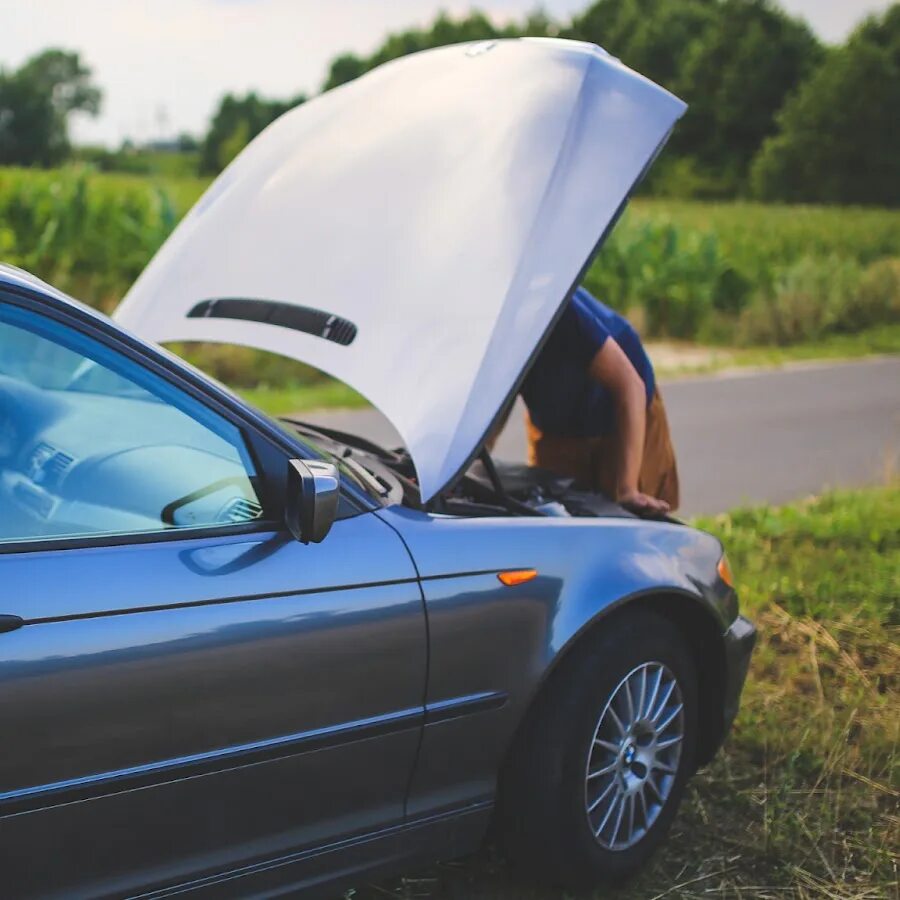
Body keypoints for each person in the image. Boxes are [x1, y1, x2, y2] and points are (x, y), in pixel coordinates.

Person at [518, 286, 679, 516]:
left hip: (623, 409)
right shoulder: (478, 327)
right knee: (554, 515)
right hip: (556, 421)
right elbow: (492, 403)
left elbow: (630, 387)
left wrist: (627, 489)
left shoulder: (556, 308)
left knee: (628, 517)